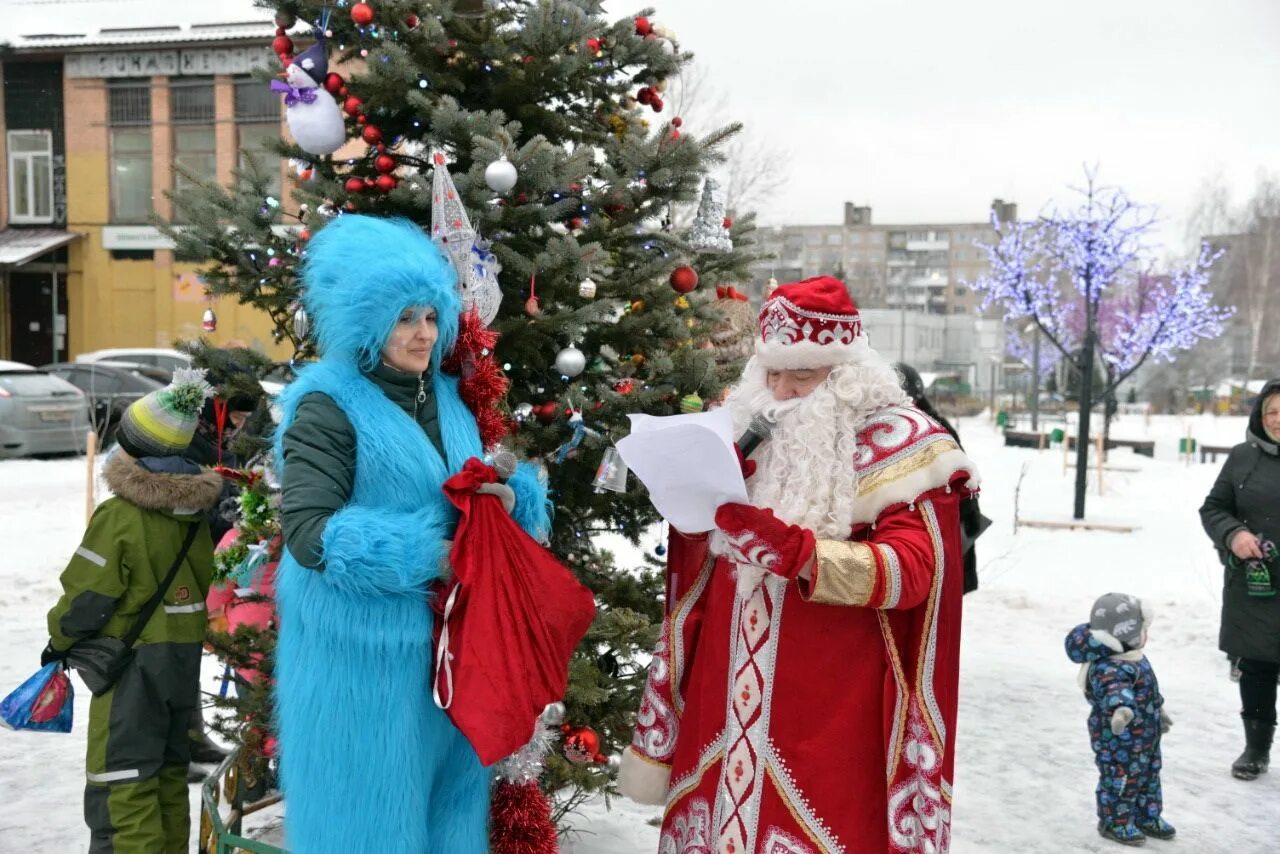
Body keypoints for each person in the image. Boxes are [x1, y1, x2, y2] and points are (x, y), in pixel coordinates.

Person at [619, 276, 976, 853]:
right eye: (771, 373)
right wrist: (692, 501)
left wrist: (799, 554)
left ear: (847, 373)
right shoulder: (740, 425)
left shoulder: (905, 446)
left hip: (831, 711)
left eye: (803, 376)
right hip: (723, 695)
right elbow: (700, 553)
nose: (781, 391)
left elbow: (913, 573)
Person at [272, 215, 550, 852]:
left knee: (450, 811)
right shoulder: (327, 405)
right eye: (404, 318)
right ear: (365, 322)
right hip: (362, 656)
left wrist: (510, 502)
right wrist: (438, 551)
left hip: (451, 651)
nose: (423, 333)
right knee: (370, 822)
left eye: (430, 316)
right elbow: (311, 535)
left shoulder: (448, 397)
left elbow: (472, 488)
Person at [41, 370, 224, 853]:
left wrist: (60, 638)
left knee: (121, 778)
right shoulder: (194, 516)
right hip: (180, 661)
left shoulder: (120, 516)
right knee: (167, 774)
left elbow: (88, 595)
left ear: (133, 447)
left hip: (132, 664)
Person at [1199, 379, 1280, 781]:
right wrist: (1235, 534)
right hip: (1255, 584)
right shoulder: (1241, 458)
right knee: (1258, 668)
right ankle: (1256, 748)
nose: (1279, 420)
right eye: (1272, 412)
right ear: (1260, 417)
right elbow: (1213, 508)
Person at [1065, 592, 1175, 846]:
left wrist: (1160, 711)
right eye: (1142, 628)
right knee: (1121, 779)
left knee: (1149, 776)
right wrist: (1122, 712)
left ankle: (1147, 816)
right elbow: (1115, 692)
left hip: (1146, 735)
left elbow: (1148, 691)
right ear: (1128, 633)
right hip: (1117, 738)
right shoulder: (1109, 666)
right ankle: (1115, 822)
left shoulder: (1135, 658)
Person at [895, 362, 990, 594]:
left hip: (940, 532)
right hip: (917, 538)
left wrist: (969, 515)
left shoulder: (934, 430)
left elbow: (961, 476)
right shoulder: (893, 430)